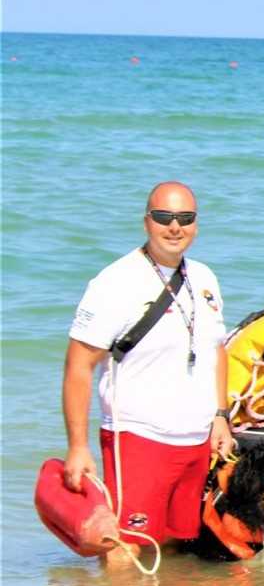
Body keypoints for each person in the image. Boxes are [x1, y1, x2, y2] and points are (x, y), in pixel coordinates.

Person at [61, 182, 235, 562]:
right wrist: (77, 447)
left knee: (174, 547)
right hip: (137, 438)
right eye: (163, 216)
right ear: (146, 222)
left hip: (195, 441)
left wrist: (220, 416)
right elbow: (79, 364)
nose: (174, 227)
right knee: (125, 550)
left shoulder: (204, 278)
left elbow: (216, 351)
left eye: (184, 218)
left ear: (196, 225)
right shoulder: (115, 281)